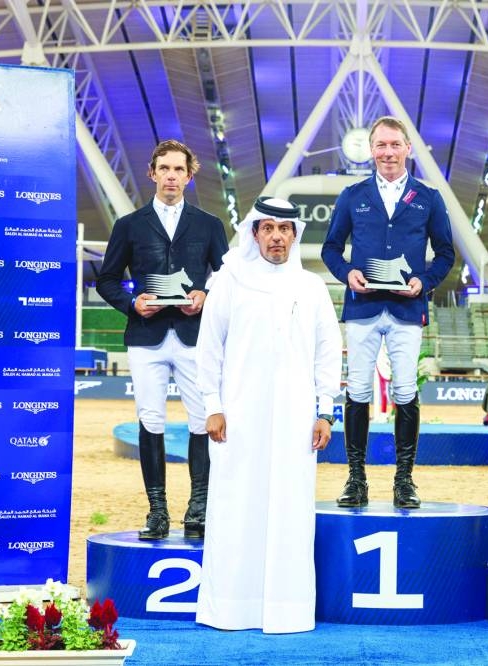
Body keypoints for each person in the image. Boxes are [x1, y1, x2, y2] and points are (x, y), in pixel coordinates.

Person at [195, 196, 341, 634]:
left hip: (297, 419)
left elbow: (328, 352)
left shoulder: (311, 287)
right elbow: (209, 347)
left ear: (294, 235)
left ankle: (286, 609)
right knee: (236, 505)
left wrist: (325, 411)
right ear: (255, 233)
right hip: (238, 416)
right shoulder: (229, 281)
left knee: (290, 509)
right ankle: (231, 608)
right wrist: (213, 406)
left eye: (284, 229)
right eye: (268, 228)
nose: (276, 236)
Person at [96, 140, 229, 541]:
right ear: (152, 173)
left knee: (201, 420)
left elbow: (226, 278)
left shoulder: (209, 224)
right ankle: (157, 510)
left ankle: (199, 507)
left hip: (194, 335)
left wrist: (206, 295)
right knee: (150, 419)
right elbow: (106, 279)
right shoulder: (129, 225)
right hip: (146, 336)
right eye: (165, 169)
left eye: (179, 169)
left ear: (190, 176)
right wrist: (132, 303)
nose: (171, 176)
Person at [322, 116, 455, 509]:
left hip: (406, 308)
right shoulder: (352, 195)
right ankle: (356, 479)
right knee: (358, 390)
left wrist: (424, 282)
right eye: (380, 145)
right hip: (362, 307)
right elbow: (331, 248)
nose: (388, 152)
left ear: (408, 149)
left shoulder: (429, 197)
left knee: (405, 391)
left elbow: (445, 253)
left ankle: (404, 480)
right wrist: (347, 273)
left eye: (395, 144)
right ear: (371, 150)